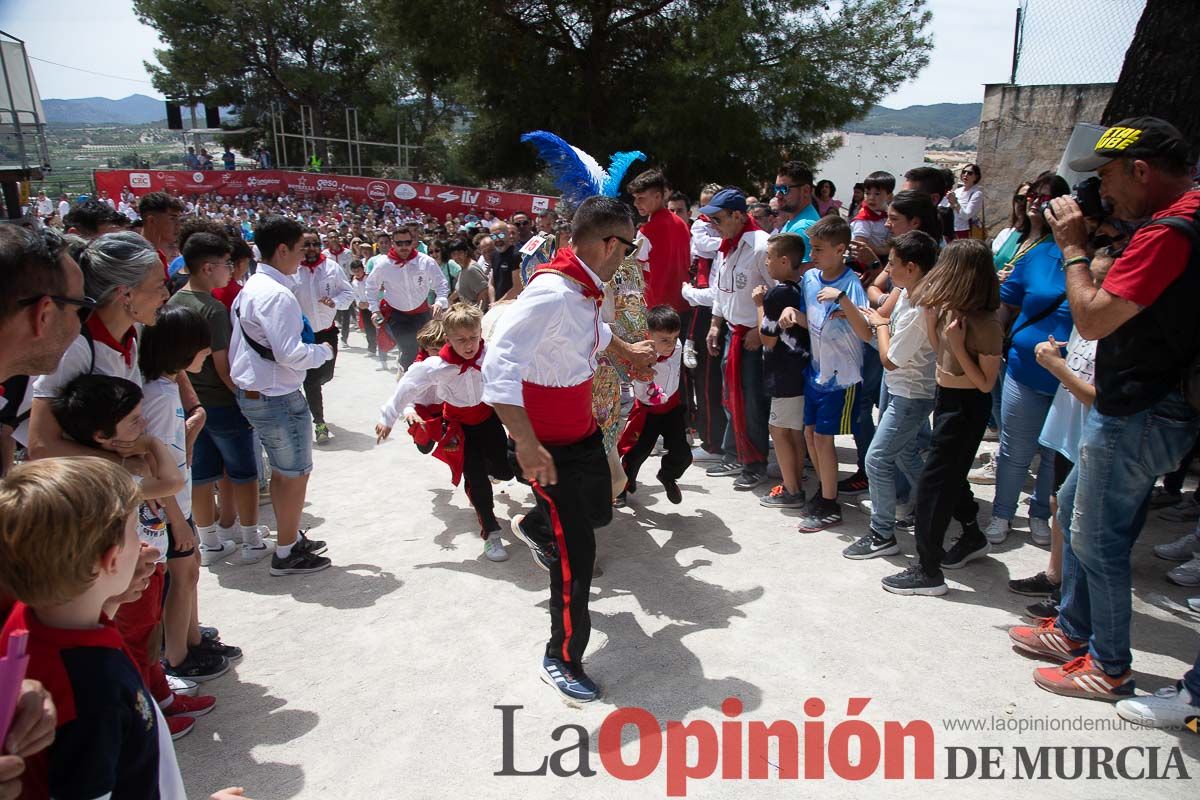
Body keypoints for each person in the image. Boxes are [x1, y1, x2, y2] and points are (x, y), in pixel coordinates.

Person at [1013, 117, 1200, 701]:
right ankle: (1073, 630)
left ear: (1141, 170)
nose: (1103, 191)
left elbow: (1092, 318)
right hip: (1143, 403)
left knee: (1098, 540)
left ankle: (1109, 664)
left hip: (1139, 409)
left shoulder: (1169, 232)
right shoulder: (1175, 221)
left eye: (1109, 176)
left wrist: (1073, 248)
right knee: (1074, 508)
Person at [482, 196, 655, 704]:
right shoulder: (552, 293)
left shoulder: (584, 287)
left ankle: (536, 526)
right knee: (577, 558)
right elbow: (498, 368)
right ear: (608, 244)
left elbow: (590, 333)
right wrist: (528, 444)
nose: (632, 254)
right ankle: (561, 656)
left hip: (580, 436)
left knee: (601, 511)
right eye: (630, 245)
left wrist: (627, 352)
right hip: (545, 449)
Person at [0, 457, 188, 799]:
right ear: (110, 559)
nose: (144, 545)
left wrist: (112, 599)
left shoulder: (26, 620)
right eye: (136, 532)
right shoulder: (92, 686)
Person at [47, 374, 215, 737]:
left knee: (149, 636)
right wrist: (154, 442)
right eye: (135, 421)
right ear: (102, 437)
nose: (144, 424)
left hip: (146, 568)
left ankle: (161, 698)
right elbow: (172, 482)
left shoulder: (130, 462)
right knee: (136, 644)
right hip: (128, 575)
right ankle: (146, 718)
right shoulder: (113, 472)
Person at [881, 240, 1002, 595]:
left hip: (967, 406)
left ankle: (928, 569)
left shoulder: (986, 323)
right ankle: (972, 535)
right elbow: (941, 353)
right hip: (946, 399)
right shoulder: (953, 310)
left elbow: (984, 384)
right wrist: (936, 326)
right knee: (946, 476)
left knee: (934, 486)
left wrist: (959, 344)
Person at [229, 215, 335, 576]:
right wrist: (323, 352)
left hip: (260, 391)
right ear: (282, 249)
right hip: (277, 395)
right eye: (301, 248)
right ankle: (287, 554)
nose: (304, 256)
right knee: (294, 474)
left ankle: (289, 540)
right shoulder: (276, 295)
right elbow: (290, 352)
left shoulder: (252, 287)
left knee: (283, 473)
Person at [376, 303, 515, 561]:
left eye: (473, 337)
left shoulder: (491, 355)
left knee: (504, 470)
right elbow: (407, 386)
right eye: (460, 339)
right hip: (459, 428)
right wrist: (388, 417)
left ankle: (489, 468)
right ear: (448, 338)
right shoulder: (437, 366)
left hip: (488, 420)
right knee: (476, 480)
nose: (469, 344)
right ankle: (491, 534)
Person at [979, 172, 1073, 546]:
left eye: (1048, 198)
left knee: (1051, 453)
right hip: (1023, 369)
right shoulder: (1033, 256)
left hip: (1069, 377)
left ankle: (1039, 515)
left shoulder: (1096, 259)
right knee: (1015, 448)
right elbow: (1006, 308)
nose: (1037, 203)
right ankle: (1002, 514)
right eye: (1034, 196)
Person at [29, 233, 170, 462]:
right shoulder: (75, 347)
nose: (166, 295)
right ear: (126, 294)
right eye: (160, 285)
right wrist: (126, 468)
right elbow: (41, 446)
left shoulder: (129, 339)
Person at [841, 231, 940, 559]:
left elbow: (889, 358)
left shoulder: (918, 307)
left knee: (878, 459)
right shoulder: (909, 296)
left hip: (910, 394)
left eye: (893, 264)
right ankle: (940, 505)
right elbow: (878, 338)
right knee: (905, 454)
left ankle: (882, 533)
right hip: (899, 390)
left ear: (911, 267)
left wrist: (880, 324)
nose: (887, 270)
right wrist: (863, 318)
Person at [791, 215, 867, 532]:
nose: (813, 256)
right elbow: (817, 324)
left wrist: (844, 300)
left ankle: (830, 503)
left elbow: (866, 333)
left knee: (824, 438)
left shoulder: (852, 285)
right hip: (816, 373)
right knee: (810, 434)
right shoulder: (810, 280)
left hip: (843, 377)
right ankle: (825, 491)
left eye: (819, 249)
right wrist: (793, 315)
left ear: (840, 249)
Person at [703, 187, 773, 491]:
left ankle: (755, 462)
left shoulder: (760, 246)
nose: (713, 224)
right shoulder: (728, 246)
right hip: (733, 331)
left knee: (752, 402)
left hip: (752, 337)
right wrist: (716, 324)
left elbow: (780, 290)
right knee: (733, 400)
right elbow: (722, 290)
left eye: (718, 218)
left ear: (737, 215)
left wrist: (760, 330)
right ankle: (735, 454)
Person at [752, 232, 810, 509]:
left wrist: (759, 305)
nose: (766, 262)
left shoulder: (777, 294)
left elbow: (768, 338)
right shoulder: (803, 287)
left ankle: (791, 490)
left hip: (784, 373)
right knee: (794, 431)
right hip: (801, 371)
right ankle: (795, 480)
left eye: (769, 257)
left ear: (785, 261)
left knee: (778, 429)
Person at [616, 305, 691, 505]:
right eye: (664, 340)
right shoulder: (640, 355)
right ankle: (622, 487)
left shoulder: (678, 347)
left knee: (683, 454)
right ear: (649, 336)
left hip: (672, 408)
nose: (671, 344)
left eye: (675, 337)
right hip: (647, 411)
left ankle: (667, 476)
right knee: (635, 453)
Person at [680, 183, 727, 463]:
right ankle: (710, 436)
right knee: (700, 376)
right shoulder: (702, 230)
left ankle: (714, 442)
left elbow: (715, 289)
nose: (708, 217)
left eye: (715, 211)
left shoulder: (725, 242)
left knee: (709, 380)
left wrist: (689, 293)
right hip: (701, 313)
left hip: (711, 311)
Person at [295, 229, 355, 444]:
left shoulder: (332, 268)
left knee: (325, 375)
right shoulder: (292, 271)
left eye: (314, 244)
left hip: (328, 332)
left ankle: (311, 396)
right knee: (312, 381)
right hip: (303, 336)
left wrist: (335, 303)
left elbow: (348, 293)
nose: (310, 249)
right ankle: (319, 422)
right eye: (306, 244)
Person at [364, 227, 449, 372]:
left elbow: (441, 284)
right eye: (399, 243)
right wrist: (374, 310)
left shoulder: (425, 261)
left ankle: (419, 377)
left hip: (423, 313)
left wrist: (440, 302)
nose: (404, 247)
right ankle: (408, 380)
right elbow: (370, 288)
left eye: (407, 242)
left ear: (413, 242)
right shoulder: (383, 264)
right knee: (410, 350)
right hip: (398, 315)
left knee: (427, 349)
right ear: (393, 243)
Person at [629, 169, 692, 317]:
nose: (636, 203)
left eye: (641, 198)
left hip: (658, 311)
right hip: (683, 303)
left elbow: (635, 270)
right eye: (635, 198)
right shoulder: (681, 223)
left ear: (658, 196)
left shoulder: (647, 231)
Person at [775, 161, 820, 257]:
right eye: (776, 188)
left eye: (784, 189)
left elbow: (804, 271)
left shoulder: (803, 228)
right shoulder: (795, 221)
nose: (777, 195)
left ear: (806, 191)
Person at [139, 192, 185, 273]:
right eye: (172, 218)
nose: (178, 225)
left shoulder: (160, 256)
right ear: (151, 221)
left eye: (179, 219)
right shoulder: (133, 258)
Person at [449, 238, 489, 308]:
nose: (457, 256)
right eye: (454, 254)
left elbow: (484, 291)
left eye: (460, 253)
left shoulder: (471, 269)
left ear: (466, 253)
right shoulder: (463, 267)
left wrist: (477, 312)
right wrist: (449, 299)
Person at [948, 163, 984, 239]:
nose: (966, 175)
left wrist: (955, 202)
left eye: (970, 173)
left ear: (976, 177)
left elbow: (966, 216)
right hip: (951, 229)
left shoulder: (977, 194)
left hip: (964, 230)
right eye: (964, 172)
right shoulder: (958, 191)